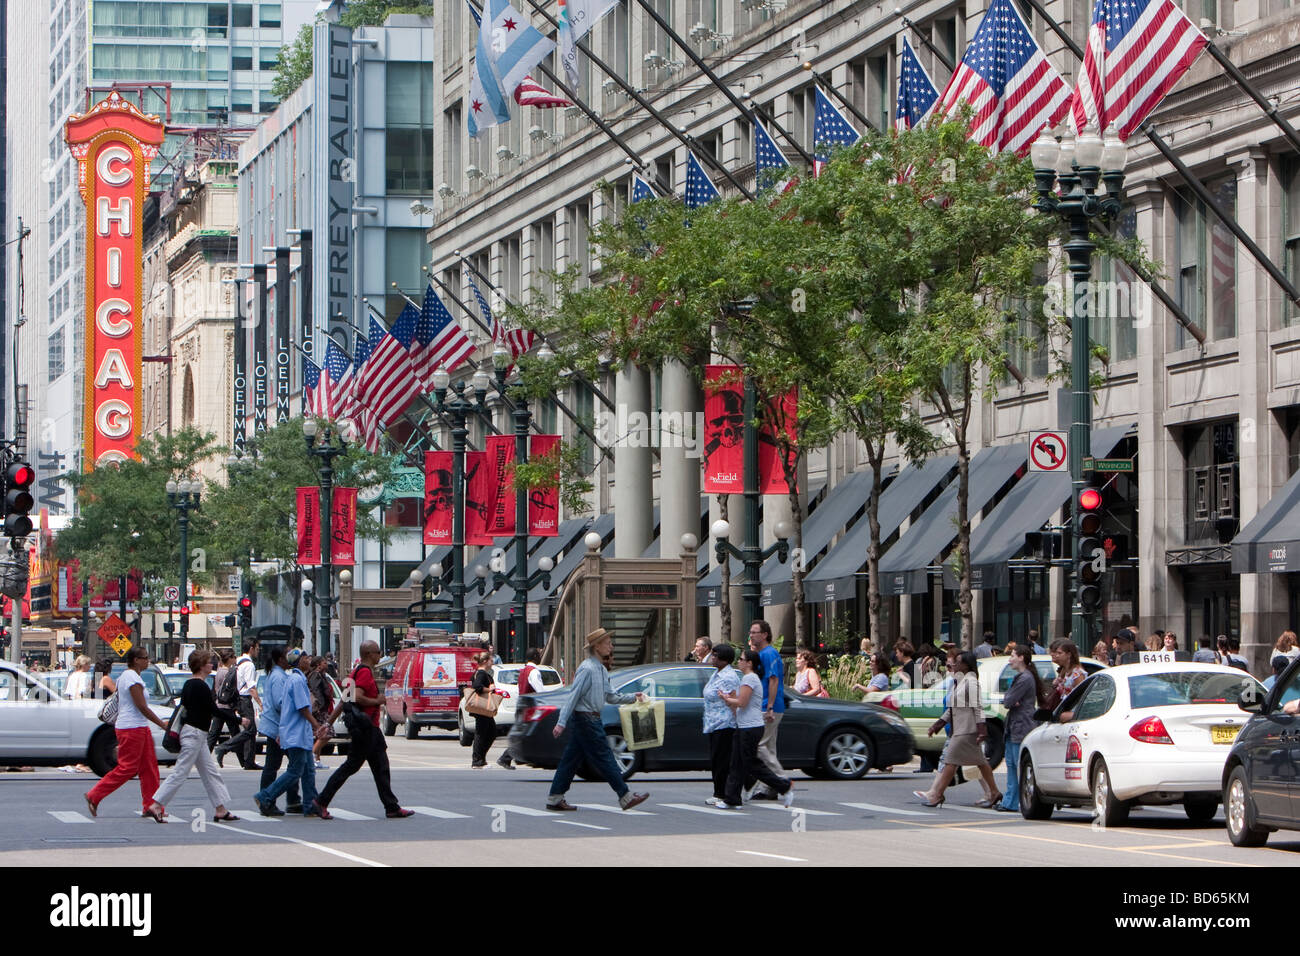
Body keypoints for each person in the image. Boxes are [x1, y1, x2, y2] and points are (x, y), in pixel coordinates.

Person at [544, 628, 649, 812]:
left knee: (571, 760)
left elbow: (611, 696)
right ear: (597, 646)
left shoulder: (600, 668)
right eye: (608, 643)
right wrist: (561, 722)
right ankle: (625, 796)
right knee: (605, 757)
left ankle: (555, 798)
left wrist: (634, 696)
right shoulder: (587, 668)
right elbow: (573, 696)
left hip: (590, 719)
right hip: (586, 719)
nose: (611, 646)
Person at [314, 640, 415, 819]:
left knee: (380, 767)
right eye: (377, 652)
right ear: (369, 654)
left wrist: (328, 723)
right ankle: (321, 801)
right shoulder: (365, 673)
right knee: (351, 766)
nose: (380, 655)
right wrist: (377, 701)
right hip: (366, 729)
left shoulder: (356, 671)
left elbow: (345, 699)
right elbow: (358, 697)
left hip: (369, 729)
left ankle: (391, 806)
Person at [146, 650, 239, 823]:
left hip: (196, 734)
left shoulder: (189, 684)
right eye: (209, 662)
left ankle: (220, 809)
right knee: (180, 772)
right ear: (202, 666)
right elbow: (214, 710)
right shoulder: (200, 686)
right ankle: (156, 804)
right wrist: (239, 720)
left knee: (210, 772)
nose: (212, 664)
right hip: (194, 734)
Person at [85, 648, 169, 820]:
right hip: (131, 728)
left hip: (138, 727)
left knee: (149, 768)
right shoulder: (131, 678)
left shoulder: (129, 676)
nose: (148, 661)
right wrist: (162, 724)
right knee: (128, 768)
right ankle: (94, 795)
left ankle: (150, 805)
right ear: (136, 660)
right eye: (145, 658)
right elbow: (142, 706)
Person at [914, 651, 1000, 808]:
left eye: (958, 662)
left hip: (967, 730)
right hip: (960, 728)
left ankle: (936, 794)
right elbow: (952, 708)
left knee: (950, 761)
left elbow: (978, 707)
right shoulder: (960, 681)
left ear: (966, 665)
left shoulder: (971, 682)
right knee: (981, 763)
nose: (954, 665)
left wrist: (982, 730)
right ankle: (994, 792)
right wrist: (937, 725)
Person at [254, 648, 329, 817]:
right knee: (293, 770)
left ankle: (309, 804)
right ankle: (266, 796)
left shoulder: (293, 678)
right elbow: (299, 707)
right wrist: (317, 725)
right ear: (298, 661)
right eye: (305, 657)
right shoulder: (292, 679)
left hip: (295, 731)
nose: (308, 659)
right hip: (292, 731)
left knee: (307, 769)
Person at [719, 650, 795, 809]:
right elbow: (738, 704)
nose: (738, 661)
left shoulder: (750, 678)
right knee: (736, 763)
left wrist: (727, 698)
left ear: (749, 663)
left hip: (751, 727)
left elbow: (742, 702)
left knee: (751, 763)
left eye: (741, 659)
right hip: (744, 726)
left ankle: (784, 787)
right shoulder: (747, 678)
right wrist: (728, 700)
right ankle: (731, 799)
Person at [997, 645, 1044, 813]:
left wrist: (1011, 699)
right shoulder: (1022, 677)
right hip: (1015, 725)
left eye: (1012, 656)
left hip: (1021, 725)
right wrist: (1010, 699)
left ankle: (1013, 801)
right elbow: (1009, 700)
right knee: (1011, 763)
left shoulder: (1024, 678)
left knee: (1017, 765)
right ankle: (1010, 800)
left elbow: (1008, 700)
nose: (1010, 659)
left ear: (1022, 658)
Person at [256, 647, 301, 814]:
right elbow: (280, 704)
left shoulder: (279, 675)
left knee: (292, 764)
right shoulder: (278, 677)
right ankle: (267, 800)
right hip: (278, 727)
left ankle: (291, 800)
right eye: (286, 657)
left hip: (279, 726)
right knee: (285, 765)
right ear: (281, 660)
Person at [747, 620, 787, 799]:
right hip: (766, 705)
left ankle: (781, 779)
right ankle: (769, 787)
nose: (751, 635)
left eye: (755, 632)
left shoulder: (769, 653)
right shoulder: (762, 653)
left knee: (760, 746)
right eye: (751, 632)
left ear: (765, 635)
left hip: (769, 706)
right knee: (769, 747)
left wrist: (769, 706)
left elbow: (773, 679)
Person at [702, 643, 740, 808]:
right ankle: (719, 791)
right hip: (713, 722)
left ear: (724, 660)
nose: (712, 658)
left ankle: (722, 793)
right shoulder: (717, 674)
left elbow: (731, 699)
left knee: (722, 760)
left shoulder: (729, 677)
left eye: (715, 656)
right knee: (717, 759)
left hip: (724, 722)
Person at [215, 638, 261, 770]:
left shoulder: (239, 661)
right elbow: (251, 687)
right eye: (257, 649)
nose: (258, 651)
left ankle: (248, 761)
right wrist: (260, 703)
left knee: (249, 730)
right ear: (251, 648)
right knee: (251, 729)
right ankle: (224, 747)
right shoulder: (249, 665)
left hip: (237, 699)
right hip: (244, 699)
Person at [468, 652, 499, 769]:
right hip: (482, 708)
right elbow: (477, 687)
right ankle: (477, 761)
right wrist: (488, 689)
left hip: (483, 708)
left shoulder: (480, 673)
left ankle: (481, 758)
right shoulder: (481, 673)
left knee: (491, 732)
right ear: (485, 661)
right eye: (491, 660)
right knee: (482, 733)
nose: (493, 662)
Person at [207, 650, 241, 752]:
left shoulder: (219, 672)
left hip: (219, 705)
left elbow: (216, 689)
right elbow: (233, 690)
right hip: (227, 706)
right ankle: (243, 760)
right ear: (229, 659)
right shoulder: (229, 673)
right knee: (236, 734)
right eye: (233, 657)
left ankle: (207, 754)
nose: (235, 659)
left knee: (213, 734)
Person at [309, 656, 333, 769]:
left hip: (323, 709)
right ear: (318, 665)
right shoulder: (315, 675)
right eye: (324, 662)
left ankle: (316, 760)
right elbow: (315, 690)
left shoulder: (321, 675)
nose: (326, 664)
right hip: (319, 709)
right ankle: (312, 755)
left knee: (319, 734)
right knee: (327, 733)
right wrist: (319, 704)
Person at [1049, 639, 1087, 708]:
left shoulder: (1077, 674)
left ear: (1069, 654)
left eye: (1060, 653)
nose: (1057, 656)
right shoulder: (1064, 670)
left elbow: (1081, 697)